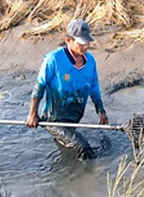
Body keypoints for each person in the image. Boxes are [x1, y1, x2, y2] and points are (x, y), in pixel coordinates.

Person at [26, 19, 108, 159]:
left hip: (74, 116)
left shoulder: (90, 61)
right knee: (83, 148)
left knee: (69, 146)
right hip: (54, 119)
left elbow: (94, 87)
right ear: (69, 40)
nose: (85, 46)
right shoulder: (54, 59)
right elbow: (40, 85)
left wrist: (100, 111)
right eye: (81, 43)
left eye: (87, 42)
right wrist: (33, 114)